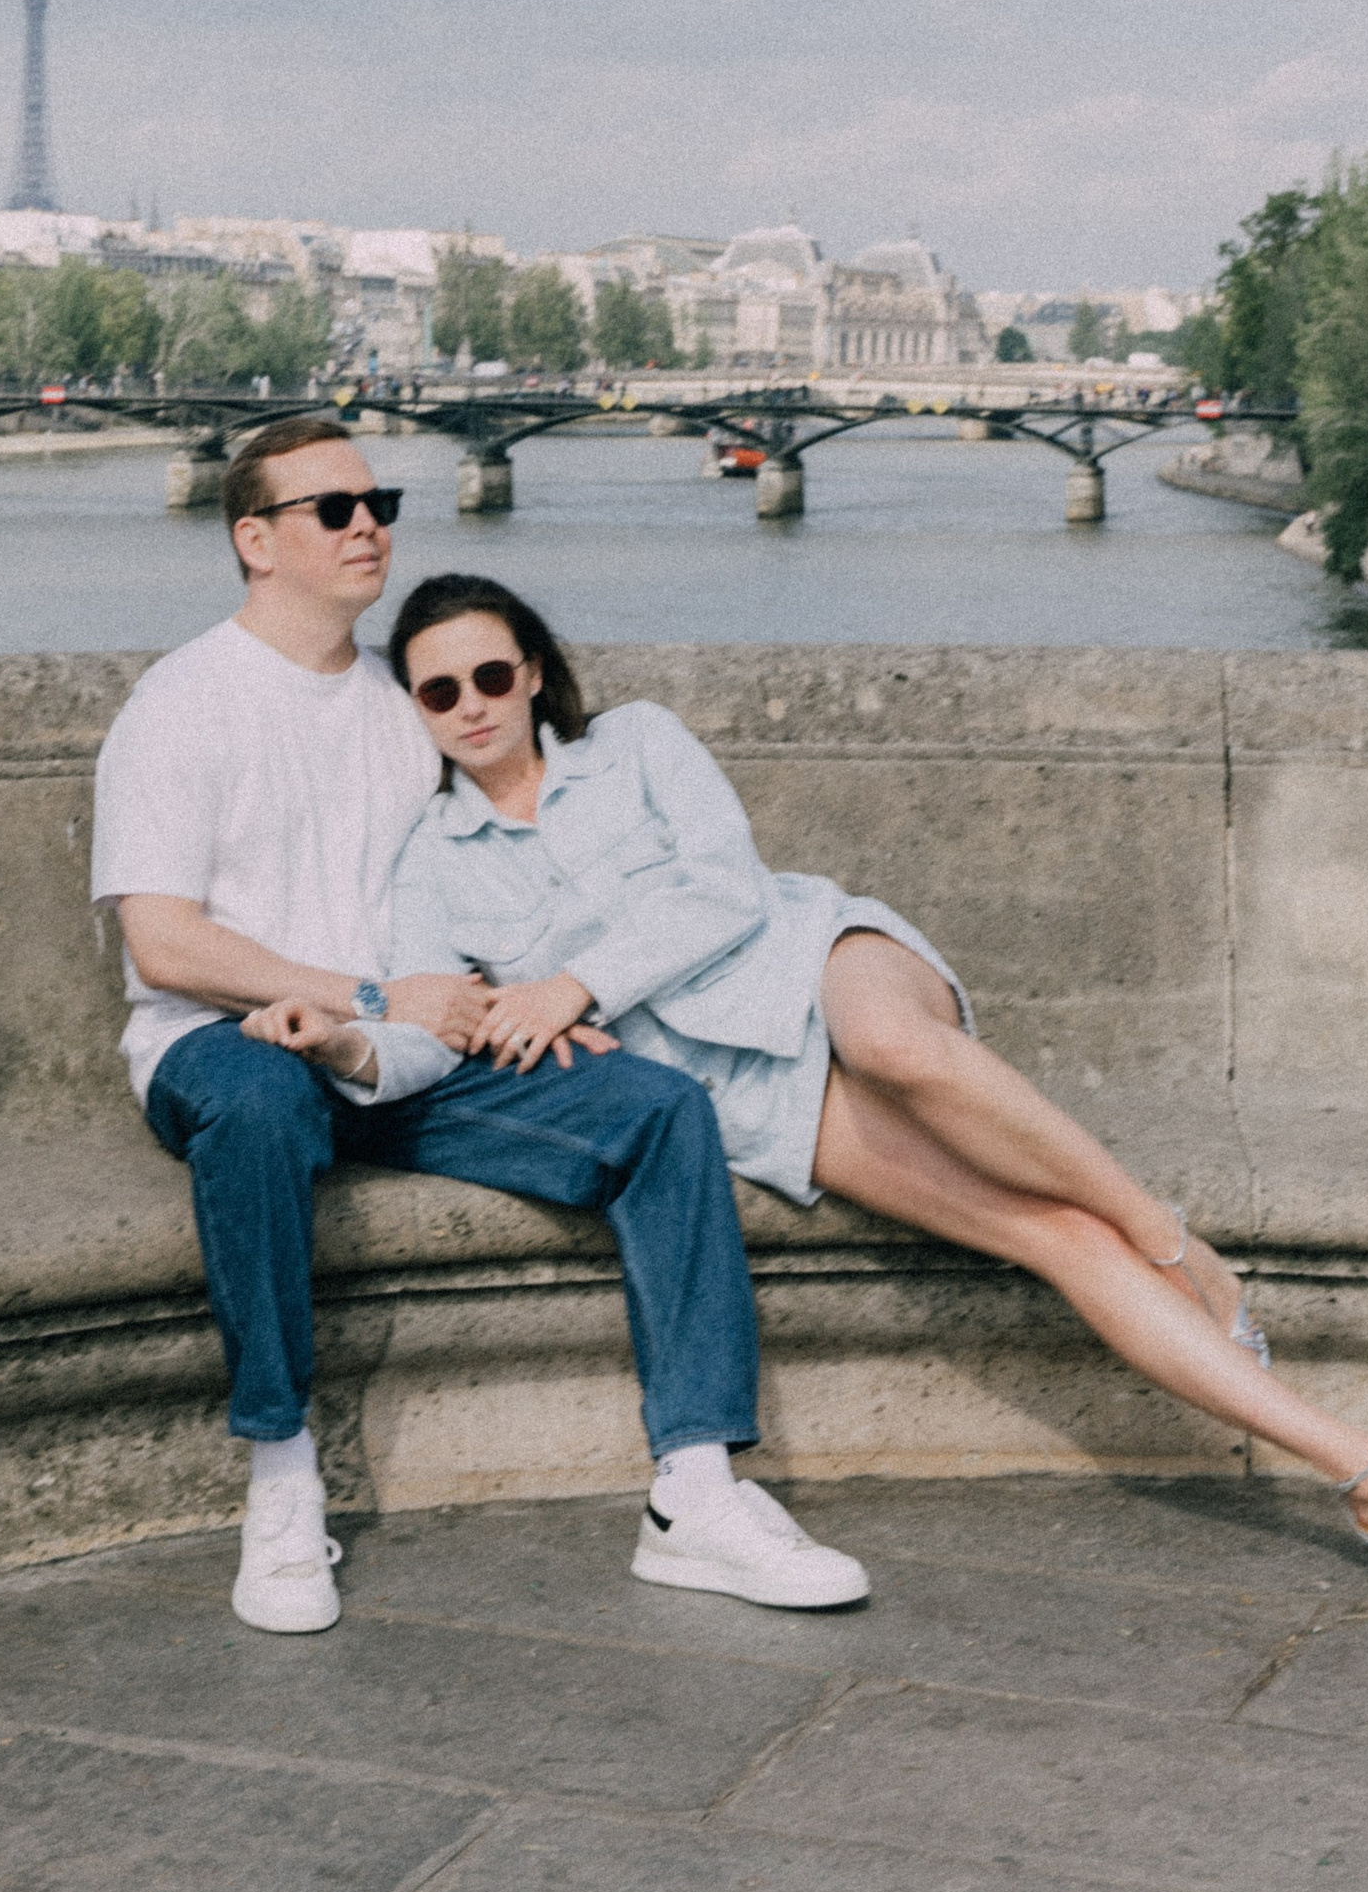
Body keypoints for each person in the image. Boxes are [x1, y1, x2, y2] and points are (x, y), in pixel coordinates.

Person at [375, 573, 1368, 1598]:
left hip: (805, 957)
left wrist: (567, 986)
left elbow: (726, 887)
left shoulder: (637, 740)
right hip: (738, 1085)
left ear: (531, 672)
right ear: (417, 713)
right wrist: (439, 1015)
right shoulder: (431, 857)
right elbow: (443, 1008)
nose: (471, 704)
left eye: (489, 672)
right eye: (438, 691)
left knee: (902, 1047)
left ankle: (1173, 1240)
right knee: (1053, 1237)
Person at [90, 412, 871, 1637]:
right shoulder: (183, 702)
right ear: (254, 539)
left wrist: (541, 997)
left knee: (657, 1111)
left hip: (403, 1049)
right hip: (226, 1037)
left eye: (378, 501)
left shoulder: (406, 704)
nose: (369, 526)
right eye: (332, 509)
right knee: (259, 1100)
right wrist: (351, 998)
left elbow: (493, 875)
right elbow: (163, 943)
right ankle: (283, 1475)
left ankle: (697, 1491)